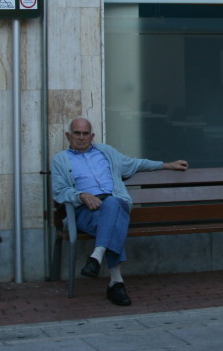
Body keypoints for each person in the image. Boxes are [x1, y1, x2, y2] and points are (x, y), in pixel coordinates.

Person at [51, 117, 188, 306]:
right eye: (77, 133)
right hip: (87, 211)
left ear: (92, 136)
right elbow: (60, 192)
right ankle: (116, 283)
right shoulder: (60, 160)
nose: (81, 138)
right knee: (114, 222)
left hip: (114, 202)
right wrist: (82, 195)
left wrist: (166, 165)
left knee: (114, 202)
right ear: (68, 135)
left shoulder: (106, 152)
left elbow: (135, 163)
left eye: (85, 134)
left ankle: (97, 256)